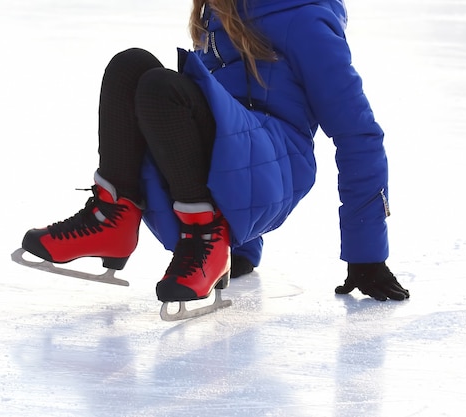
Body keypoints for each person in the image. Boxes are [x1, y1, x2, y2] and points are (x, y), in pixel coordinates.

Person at [21, 0, 410, 304]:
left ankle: (207, 237)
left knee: (162, 88)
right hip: (242, 161)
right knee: (131, 65)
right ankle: (113, 217)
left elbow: (359, 134)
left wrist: (367, 255)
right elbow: (227, 117)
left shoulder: (304, 20)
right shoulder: (220, 11)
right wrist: (245, 246)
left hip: (281, 168)